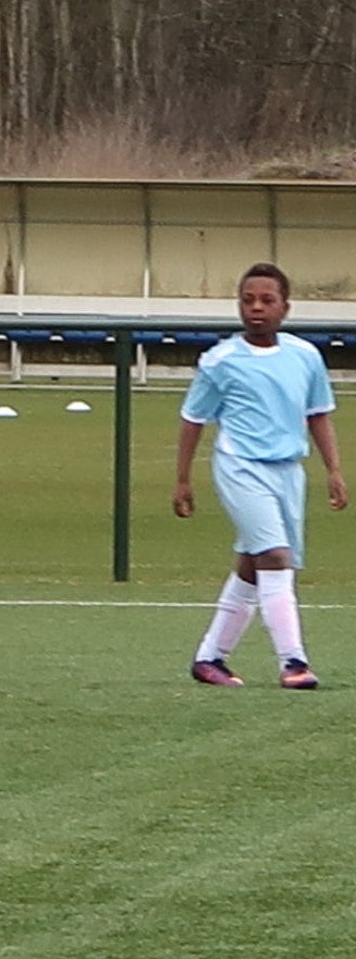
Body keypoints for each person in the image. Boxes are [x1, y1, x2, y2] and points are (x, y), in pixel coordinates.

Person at [175, 262, 346, 688]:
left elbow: (318, 414)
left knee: (254, 566)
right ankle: (293, 663)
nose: (256, 308)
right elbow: (193, 418)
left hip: (288, 472)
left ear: (285, 308)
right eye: (248, 300)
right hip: (240, 468)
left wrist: (334, 470)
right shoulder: (221, 361)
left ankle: (209, 657)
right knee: (274, 557)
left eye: (267, 300)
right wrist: (183, 480)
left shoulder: (305, 356)